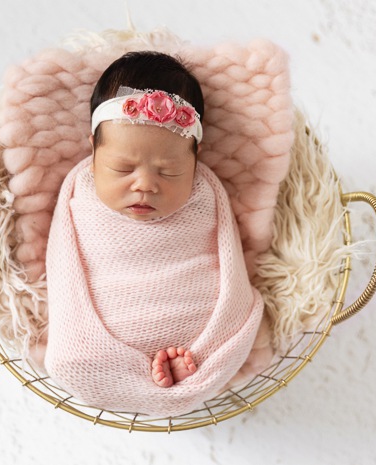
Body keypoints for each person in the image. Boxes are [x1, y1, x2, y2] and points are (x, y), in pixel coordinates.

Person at [43, 51, 266, 415]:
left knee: (241, 327)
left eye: (169, 171)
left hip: (194, 329)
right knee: (72, 362)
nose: (145, 185)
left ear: (196, 159)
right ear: (93, 150)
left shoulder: (205, 194)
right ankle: (147, 379)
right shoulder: (79, 193)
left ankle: (188, 369)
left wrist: (210, 345)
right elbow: (63, 263)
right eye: (122, 168)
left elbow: (228, 256)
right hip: (105, 332)